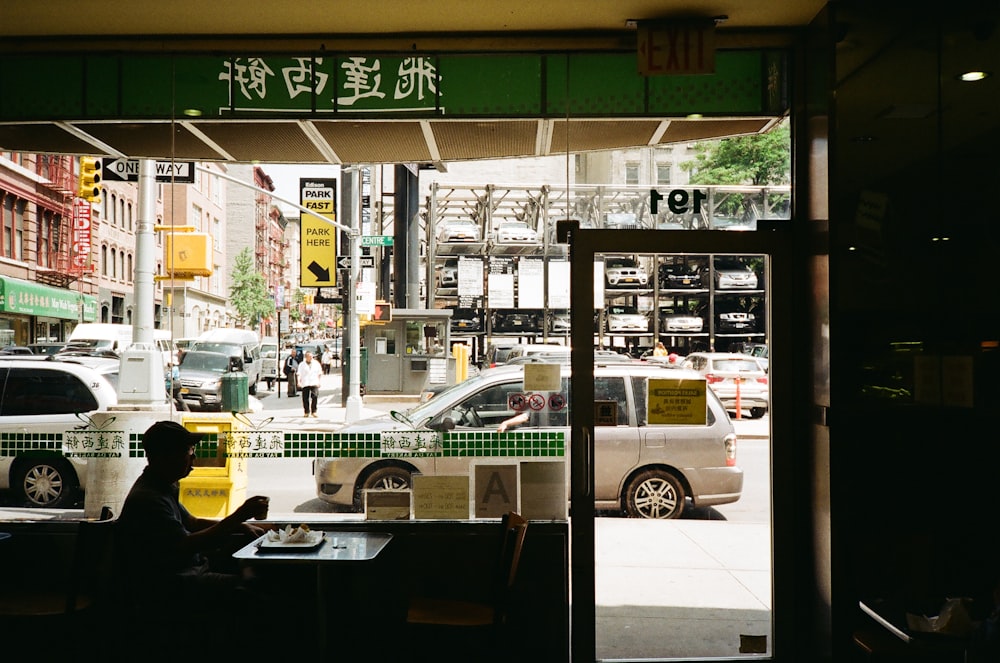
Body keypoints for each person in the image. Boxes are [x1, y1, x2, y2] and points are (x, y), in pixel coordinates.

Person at [115, 420, 271, 613]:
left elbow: (192, 522)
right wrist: (239, 516)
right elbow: (186, 544)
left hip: (191, 571)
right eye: (188, 451)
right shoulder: (149, 499)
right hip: (174, 585)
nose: (194, 456)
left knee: (253, 568)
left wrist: (240, 526)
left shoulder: (162, 486)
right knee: (258, 588)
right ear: (165, 456)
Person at [296, 350, 322, 418]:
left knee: (315, 396)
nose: (310, 358)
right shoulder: (302, 364)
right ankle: (306, 411)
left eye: (311, 356)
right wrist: (298, 382)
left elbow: (319, 373)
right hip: (305, 382)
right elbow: (299, 374)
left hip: (314, 382)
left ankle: (314, 411)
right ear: (306, 357)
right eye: (309, 356)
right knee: (305, 398)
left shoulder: (316, 363)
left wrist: (319, 382)